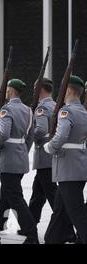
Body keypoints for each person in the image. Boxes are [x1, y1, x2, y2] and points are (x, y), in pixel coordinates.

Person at [0, 79, 39, 244]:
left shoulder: (7, 109)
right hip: (19, 158)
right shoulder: (28, 110)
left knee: (15, 198)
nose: (5, 93)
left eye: (7, 90)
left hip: (9, 160)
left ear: (11, 91)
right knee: (6, 195)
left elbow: (3, 134)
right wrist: (23, 150)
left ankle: (31, 232)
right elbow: (31, 136)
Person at [44, 75, 87, 244]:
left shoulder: (66, 111)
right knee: (60, 210)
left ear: (68, 90)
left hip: (68, 167)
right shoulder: (83, 111)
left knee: (77, 211)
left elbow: (61, 136)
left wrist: (50, 147)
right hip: (79, 166)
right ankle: (52, 239)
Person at [28, 78, 58, 226]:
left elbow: (40, 130)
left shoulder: (42, 108)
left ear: (41, 90)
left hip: (44, 155)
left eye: (35, 89)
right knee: (37, 193)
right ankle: (30, 224)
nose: (34, 92)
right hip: (51, 154)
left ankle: (65, 226)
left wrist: (28, 135)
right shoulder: (55, 105)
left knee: (52, 194)